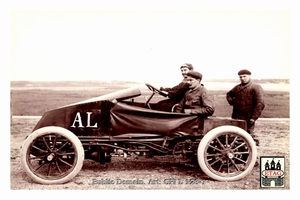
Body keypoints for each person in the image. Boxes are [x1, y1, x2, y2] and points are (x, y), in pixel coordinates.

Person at [226, 69, 265, 146]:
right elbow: (229, 94)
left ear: (249, 76)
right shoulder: (237, 87)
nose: (242, 78)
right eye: (240, 77)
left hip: (248, 118)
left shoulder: (256, 87)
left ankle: (252, 155)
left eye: (244, 76)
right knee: (236, 136)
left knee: (249, 137)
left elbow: (259, 104)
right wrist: (232, 102)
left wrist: (253, 118)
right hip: (236, 116)